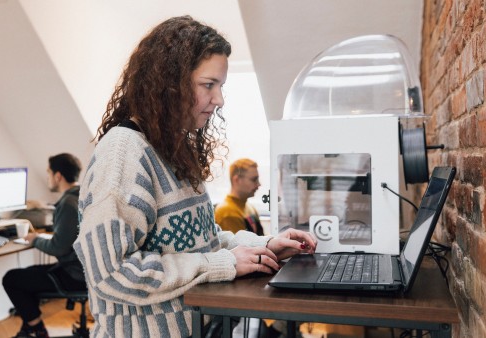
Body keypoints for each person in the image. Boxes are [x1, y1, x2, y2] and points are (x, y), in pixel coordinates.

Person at [73, 16, 316, 338]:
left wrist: (267, 245)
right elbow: (110, 274)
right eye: (208, 85)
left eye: (221, 86)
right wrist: (222, 264)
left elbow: (204, 241)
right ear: (169, 84)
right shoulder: (123, 153)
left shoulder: (172, 148)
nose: (219, 100)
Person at [3, 153, 86, 338]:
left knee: (11, 279)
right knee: (28, 274)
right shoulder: (81, 196)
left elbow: (58, 248)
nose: (48, 177)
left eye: (48, 172)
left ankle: (36, 330)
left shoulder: (68, 203)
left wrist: (35, 239)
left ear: (58, 176)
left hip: (74, 275)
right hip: (82, 270)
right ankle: (30, 328)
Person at [215, 158, 264, 235]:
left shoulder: (249, 207)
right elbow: (240, 246)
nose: (259, 184)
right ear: (236, 180)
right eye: (254, 180)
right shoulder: (228, 213)